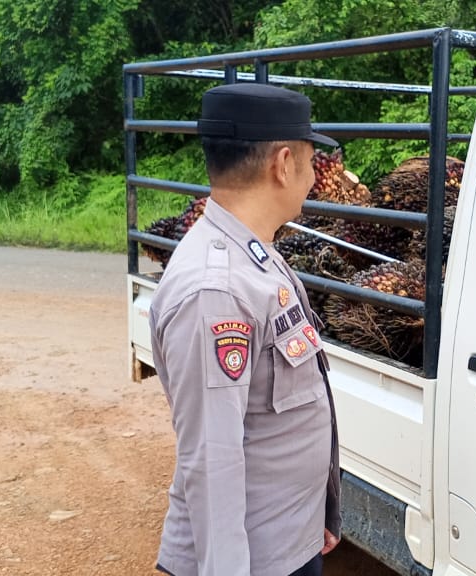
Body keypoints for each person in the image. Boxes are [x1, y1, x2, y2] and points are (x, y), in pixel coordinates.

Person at [149, 82, 341, 576]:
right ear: (282, 164)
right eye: (310, 159)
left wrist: (308, 516)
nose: (314, 175)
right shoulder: (218, 290)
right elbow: (213, 461)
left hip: (284, 542)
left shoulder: (253, 253)